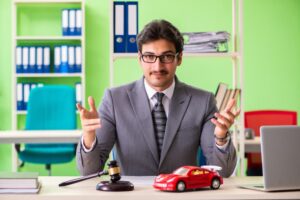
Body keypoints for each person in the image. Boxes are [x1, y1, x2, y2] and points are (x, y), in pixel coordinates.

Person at [76, 19, 240, 178]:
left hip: (182, 193)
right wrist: (89, 136)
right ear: (139, 58)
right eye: (149, 56)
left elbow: (223, 172)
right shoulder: (114, 100)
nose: (158, 66)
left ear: (179, 58)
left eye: (167, 56)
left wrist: (221, 137)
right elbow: (89, 171)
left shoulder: (203, 102)